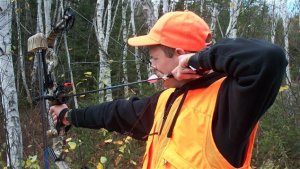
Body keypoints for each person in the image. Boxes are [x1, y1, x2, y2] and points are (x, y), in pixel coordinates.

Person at [49, 11, 287, 168]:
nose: (152, 66)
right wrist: (67, 115)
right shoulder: (165, 101)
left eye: (154, 58)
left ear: (181, 55)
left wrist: (199, 60)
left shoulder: (228, 101)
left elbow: (269, 58)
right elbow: (115, 113)